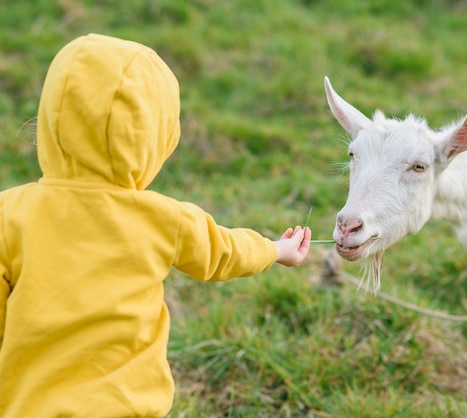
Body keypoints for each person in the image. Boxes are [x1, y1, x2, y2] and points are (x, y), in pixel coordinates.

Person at [0, 33, 311, 417]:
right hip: (128, 406)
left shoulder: (9, 213)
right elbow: (226, 252)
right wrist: (276, 250)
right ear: (155, 138)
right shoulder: (164, 218)